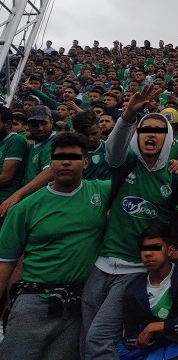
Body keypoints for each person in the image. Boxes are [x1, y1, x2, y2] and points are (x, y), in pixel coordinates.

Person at [82, 86, 178, 360]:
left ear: (168, 138)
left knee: (99, 338)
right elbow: (113, 152)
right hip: (101, 264)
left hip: (135, 270)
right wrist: (127, 116)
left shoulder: (177, 177)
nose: (150, 135)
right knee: (86, 336)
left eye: (158, 130)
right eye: (145, 130)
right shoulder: (127, 164)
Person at [0, 133, 110, 360]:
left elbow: (139, 179)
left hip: (76, 308)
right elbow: (5, 263)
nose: (66, 162)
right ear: (51, 163)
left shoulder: (101, 192)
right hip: (33, 304)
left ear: (85, 162)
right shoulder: (25, 208)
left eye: (73, 157)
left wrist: (174, 167)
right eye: (59, 157)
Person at [122, 225, 178, 358]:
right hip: (152, 355)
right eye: (144, 249)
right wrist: (158, 333)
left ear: (170, 250)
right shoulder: (133, 290)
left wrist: (157, 327)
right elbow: (128, 338)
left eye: (156, 247)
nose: (148, 253)